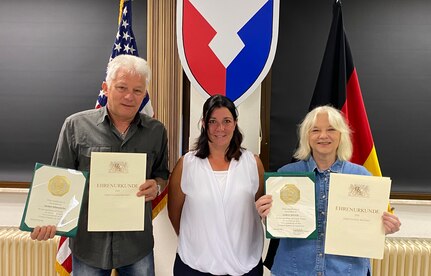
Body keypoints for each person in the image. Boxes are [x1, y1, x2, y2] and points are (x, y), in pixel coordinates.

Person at [30, 54, 169, 275]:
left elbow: (162, 174)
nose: (129, 97)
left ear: (145, 94)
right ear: (106, 87)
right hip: (89, 246)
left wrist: (157, 186)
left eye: (137, 90)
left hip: (136, 245)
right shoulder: (75, 126)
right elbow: (58, 180)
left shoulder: (156, 131)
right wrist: (45, 220)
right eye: (122, 87)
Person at [255, 105, 401, 276]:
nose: (323, 136)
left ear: (341, 136)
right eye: (315, 130)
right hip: (293, 270)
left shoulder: (362, 177)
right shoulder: (285, 175)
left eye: (331, 129)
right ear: (306, 136)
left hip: (346, 271)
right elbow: (278, 226)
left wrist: (386, 227)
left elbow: (371, 229)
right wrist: (266, 215)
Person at [168, 94, 265, 275]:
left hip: (244, 264)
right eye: (213, 121)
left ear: (235, 123)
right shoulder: (186, 165)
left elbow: (258, 211)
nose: (220, 128)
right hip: (195, 265)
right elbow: (175, 214)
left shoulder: (253, 164)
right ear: (203, 124)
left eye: (226, 121)